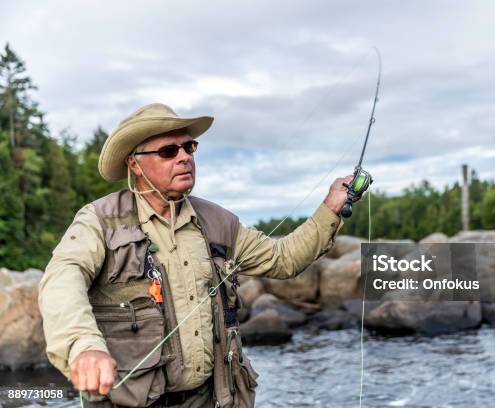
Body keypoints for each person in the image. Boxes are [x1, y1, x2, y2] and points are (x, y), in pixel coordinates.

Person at [38, 103, 353, 407]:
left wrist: (331, 208)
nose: (184, 158)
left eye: (189, 148)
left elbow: (284, 258)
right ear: (134, 164)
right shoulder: (99, 220)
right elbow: (63, 278)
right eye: (168, 151)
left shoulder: (219, 222)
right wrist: (84, 347)